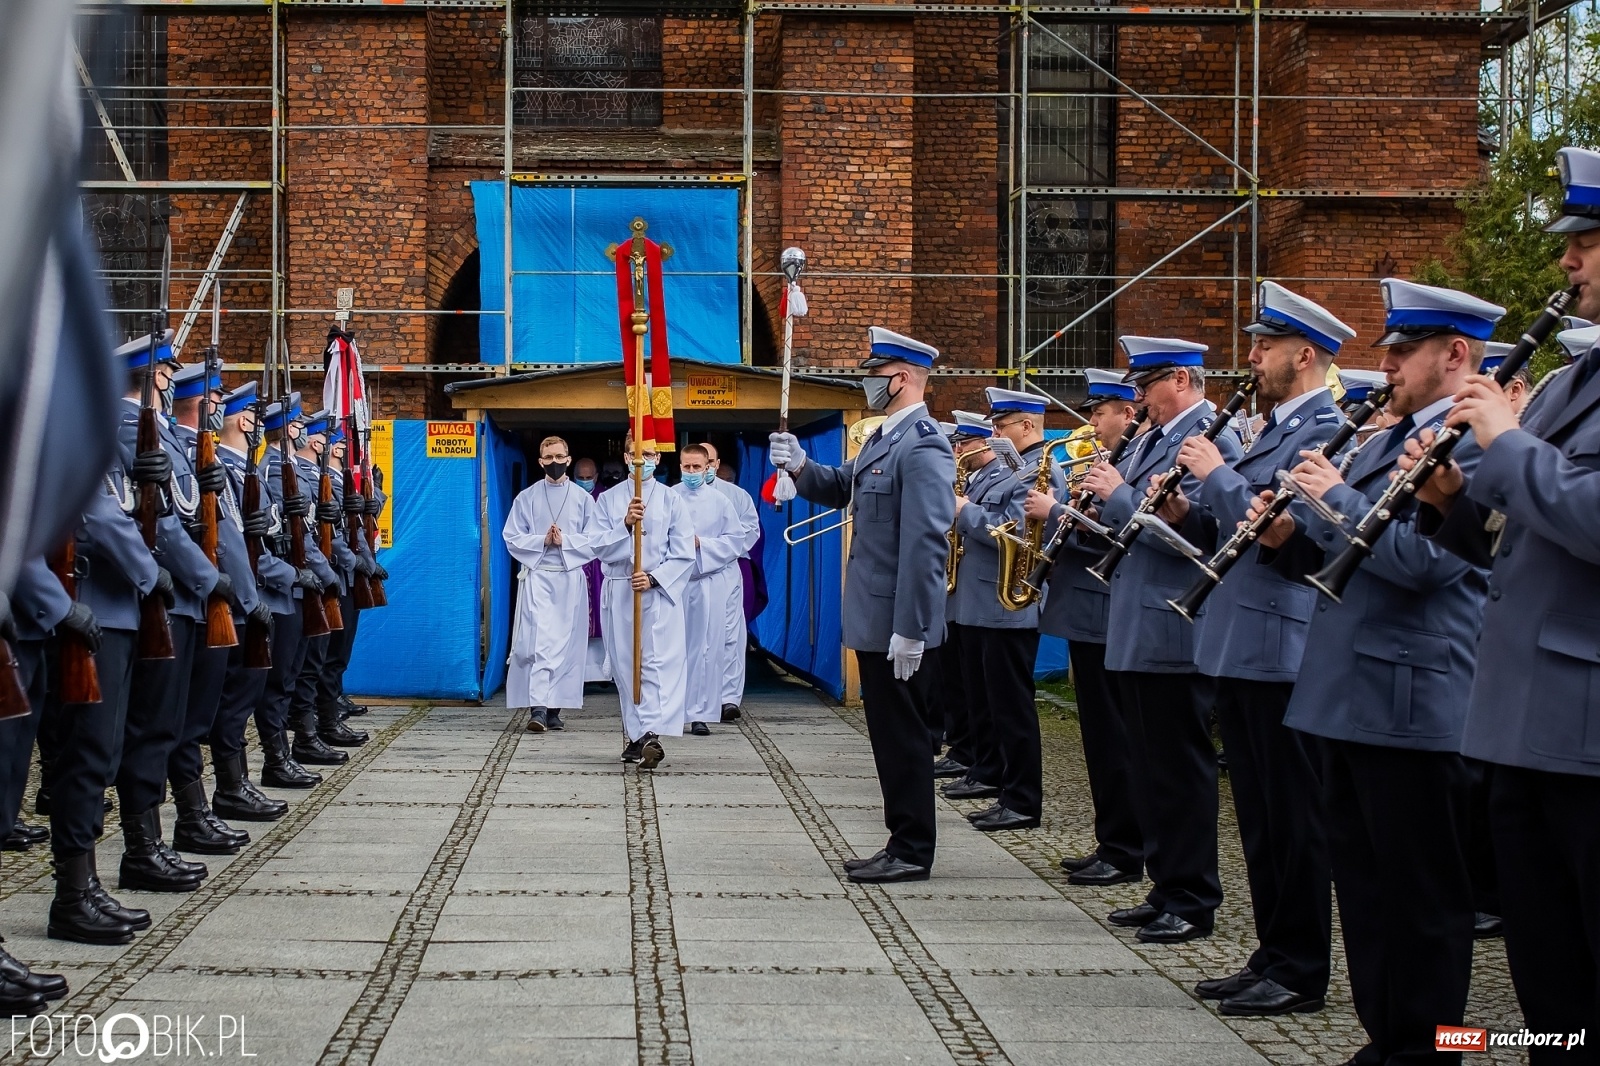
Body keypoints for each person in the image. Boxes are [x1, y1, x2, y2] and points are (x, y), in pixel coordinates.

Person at [1247, 277, 1501, 1064]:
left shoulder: (1479, 443)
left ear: (1454, 355)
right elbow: (1341, 556)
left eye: (1402, 352)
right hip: (1347, 694)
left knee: (1423, 903)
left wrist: (1330, 507)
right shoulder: (1385, 439)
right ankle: (1386, 1038)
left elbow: (1430, 564)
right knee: (1362, 891)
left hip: (1413, 699)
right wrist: (1286, 534)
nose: (1384, 365)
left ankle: (1432, 1049)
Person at [1407, 146, 1600, 1065]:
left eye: (1588, 242)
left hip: (1587, 728)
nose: (1567, 261)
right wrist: (1450, 498)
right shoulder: (1570, 382)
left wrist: (1508, 442)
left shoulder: (1546, 402)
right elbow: (1513, 536)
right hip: (1521, 720)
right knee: (1547, 975)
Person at [1162, 282, 1353, 1015]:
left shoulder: (1324, 429)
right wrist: (1190, 506)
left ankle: (1301, 967)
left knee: (1293, 818)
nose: (1252, 358)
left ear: (1304, 355)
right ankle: (1271, 951)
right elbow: (1234, 535)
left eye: (1265, 347)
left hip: (1281, 646)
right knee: (1262, 819)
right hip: (1240, 643)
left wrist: (1216, 475)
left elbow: (1287, 535)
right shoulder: (1274, 428)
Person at [770, 327, 955, 883]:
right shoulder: (883, 439)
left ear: (900, 378)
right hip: (876, 617)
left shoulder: (922, 443)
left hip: (898, 622)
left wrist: (913, 628)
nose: (866, 383)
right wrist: (801, 466)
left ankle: (913, 848)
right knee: (889, 738)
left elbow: (927, 541)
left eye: (874, 374)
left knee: (904, 739)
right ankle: (902, 838)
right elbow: (842, 486)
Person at [1079, 335, 1242, 943]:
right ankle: (1167, 884)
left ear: (1179, 379)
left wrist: (1118, 497)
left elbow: (1201, 536)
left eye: (1145, 386)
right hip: (1139, 620)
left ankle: (1193, 895)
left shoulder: (1211, 439)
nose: (1139, 399)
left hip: (1175, 625)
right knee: (1151, 767)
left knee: (1180, 770)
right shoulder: (1153, 438)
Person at [1024, 367, 1145, 887]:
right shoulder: (1112, 461)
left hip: (1104, 607)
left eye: (1100, 413)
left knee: (1115, 741)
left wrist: (1056, 512)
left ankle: (1124, 849)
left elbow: (1122, 535)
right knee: (1098, 741)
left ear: (1127, 414)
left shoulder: (1133, 462)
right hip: (1083, 608)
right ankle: (1112, 841)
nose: (1092, 425)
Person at [114, 332, 218, 893]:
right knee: (150, 726)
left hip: (172, 592)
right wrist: (209, 580)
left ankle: (154, 839)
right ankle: (142, 847)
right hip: (154, 593)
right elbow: (157, 523)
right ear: (157, 376)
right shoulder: (129, 428)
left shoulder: (156, 436)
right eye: (170, 371)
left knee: (168, 722)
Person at [47, 455, 160, 943]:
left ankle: (84, 886)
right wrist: (152, 573)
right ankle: (71, 895)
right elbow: (99, 514)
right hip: (86, 605)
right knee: (85, 754)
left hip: (111, 608)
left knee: (102, 752)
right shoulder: (86, 432)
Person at [165, 361, 253, 856]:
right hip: (193, 600)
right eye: (216, 398)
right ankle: (189, 816)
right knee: (177, 721)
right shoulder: (184, 450)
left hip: (216, 597)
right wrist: (221, 586)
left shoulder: (201, 456)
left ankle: (198, 809)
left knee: (196, 716)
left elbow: (234, 538)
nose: (221, 405)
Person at [209, 382, 292, 821]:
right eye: (256, 419)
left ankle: (236, 784)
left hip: (255, 594)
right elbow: (231, 545)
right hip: (240, 599)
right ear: (245, 421)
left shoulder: (249, 471)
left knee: (250, 691)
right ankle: (229, 788)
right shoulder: (226, 468)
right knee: (234, 699)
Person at [591, 435, 695, 769]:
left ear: (658, 458)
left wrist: (654, 577)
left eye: (648, 454)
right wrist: (625, 525)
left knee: (654, 663)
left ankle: (650, 732)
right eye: (636, 454)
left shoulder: (671, 500)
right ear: (625, 457)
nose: (642, 460)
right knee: (625, 665)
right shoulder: (608, 500)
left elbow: (683, 552)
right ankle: (637, 736)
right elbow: (597, 546)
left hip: (656, 593)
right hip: (621, 589)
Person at [256, 395, 337, 786]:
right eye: (298, 423)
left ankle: (296, 745)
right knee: (281, 679)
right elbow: (289, 533)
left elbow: (305, 529)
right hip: (286, 582)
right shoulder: (274, 468)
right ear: (289, 429)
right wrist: (317, 571)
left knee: (299, 669)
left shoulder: (284, 466)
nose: (305, 431)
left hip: (301, 579)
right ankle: (278, 757)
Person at [503, 436, 595, 733]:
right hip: (540, 574)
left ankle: (554, 709)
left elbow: (596, 538)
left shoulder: (583, 499)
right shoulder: (526, 497)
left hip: (570, 577)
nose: (554, 462)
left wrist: (565, 541)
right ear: (540, 461)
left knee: (567, 644)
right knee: (539, 642)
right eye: (548, 458)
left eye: (559, 457)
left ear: (568, 458)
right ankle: (538, 708)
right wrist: (541, 540)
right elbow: (512, 537)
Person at [286, 412, 358, 762]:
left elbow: (343, 526)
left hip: (330, 572)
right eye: (338, 442)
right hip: (318, 573)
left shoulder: (321, 476)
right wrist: (345, 564)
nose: (341, 447)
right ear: (318, 442)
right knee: (314, 660)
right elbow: (315, 530)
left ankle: (324, 720)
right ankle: (316, 726)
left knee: (330, 653)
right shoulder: (303, 475)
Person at [934, 415, 995, 787]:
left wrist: (963, 512)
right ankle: (965, 751)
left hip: (988, 598)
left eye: (965, 444)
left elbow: (1008, 530)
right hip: (963, 593)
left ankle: (982, 763)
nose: (959, 450)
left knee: (986, 694)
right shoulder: (976, 479)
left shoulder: (1007, 478)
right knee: (960, 684)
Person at [672, 444, 744, 736]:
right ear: (679, 466)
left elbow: (736, 540)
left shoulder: (720, 501)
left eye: (696, 467)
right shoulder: (669, 498)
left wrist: (704, 545)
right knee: (674, 648)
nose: (691, 473)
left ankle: (700, 712)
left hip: (708, 580)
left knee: (706, 647)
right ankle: (673, 710)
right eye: (686, 467)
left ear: (708, 468)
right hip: (675, 582)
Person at [700, 442, 760, 721]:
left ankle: (728, 698)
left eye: (709, 461)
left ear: (716, 462)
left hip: (725, 570)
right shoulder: (674, 495)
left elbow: (749, 532)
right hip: (690, 573)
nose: (704, 467)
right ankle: (696, 697)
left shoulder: (737, 496)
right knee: (695, 637)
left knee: (730, 634)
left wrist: (714, 550)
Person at [573, 458, 612, 689]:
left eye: (589, 478)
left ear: (597, 477)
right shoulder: (569, 498)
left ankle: (603, 673)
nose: (585, 482)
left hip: (599, 567)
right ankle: (578, 674)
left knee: (601, 615)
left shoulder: (606, 499)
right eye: (581, 478)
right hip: (576, 564)